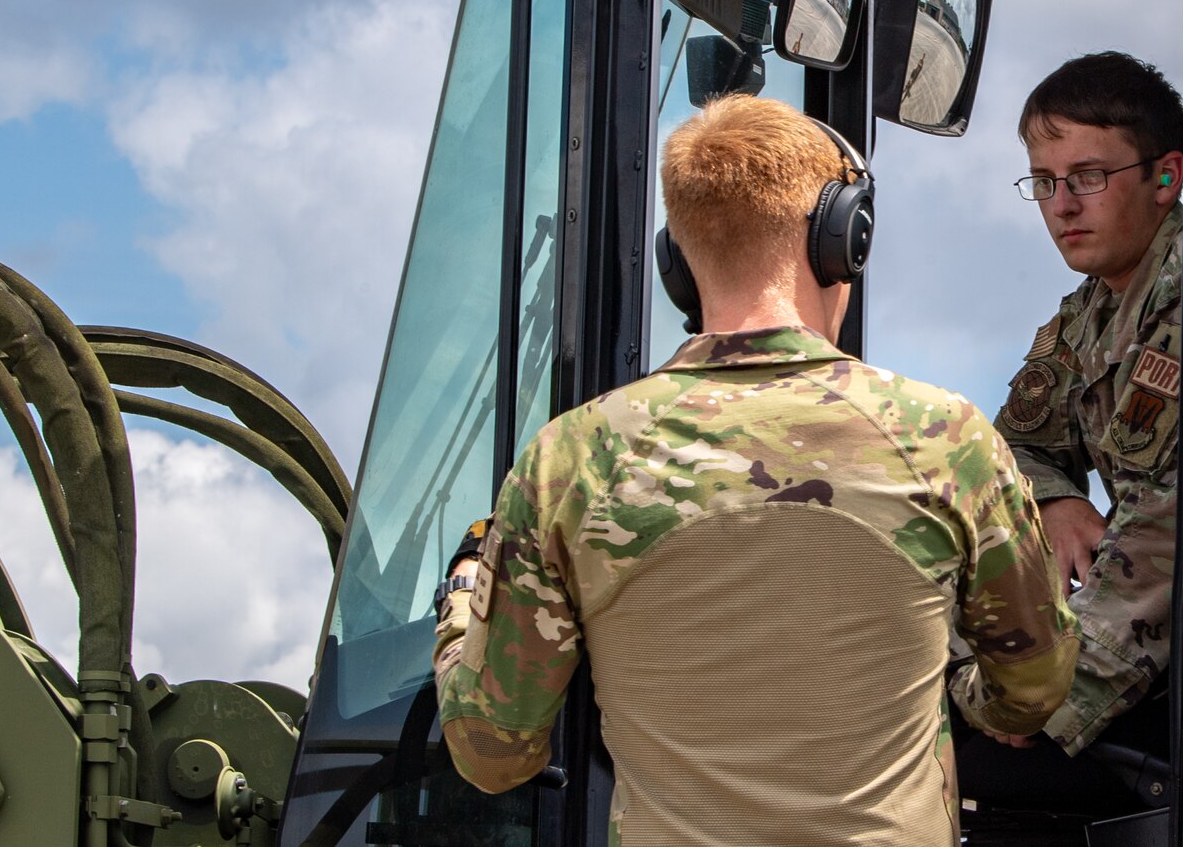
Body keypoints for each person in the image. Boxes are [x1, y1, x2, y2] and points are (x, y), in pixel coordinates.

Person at [432, 93, 1077, 846]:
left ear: (677, 259)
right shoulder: (944, 439)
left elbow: (491, 752)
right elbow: (1035, 687)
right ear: (844, 239)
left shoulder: (571, 461)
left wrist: (464, 598)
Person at [951, 51, 1183, 806]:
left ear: (1165, 177)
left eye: (1088, 176)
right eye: (1045, 182)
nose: (1062, 204)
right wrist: (1054, 498)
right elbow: (1010, 444)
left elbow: (1169, 533)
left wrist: (1039, 693)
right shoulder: (1091, 310)